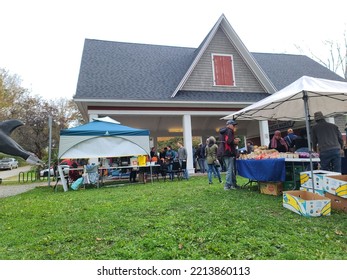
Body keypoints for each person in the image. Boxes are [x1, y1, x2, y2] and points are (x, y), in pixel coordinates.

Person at [219, 120, 241, 190]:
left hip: (224, 152)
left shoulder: (224, 131)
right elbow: (229, 141)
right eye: (233, 125)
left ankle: (233, 184)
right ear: (229, 125)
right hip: (228, 152)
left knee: (231, 169)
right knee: (230, 169)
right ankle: (227, 185)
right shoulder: (229, 131)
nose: (234, 127)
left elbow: (226, 141)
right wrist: (235, 141)